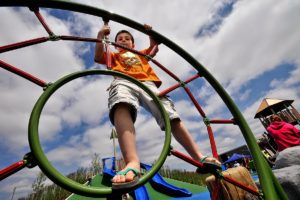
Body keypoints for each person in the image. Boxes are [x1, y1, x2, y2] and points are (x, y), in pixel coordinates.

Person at [94, 23, 221, 189]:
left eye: (127, 39)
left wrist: (150, 33)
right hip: (123, 80)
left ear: (133, 44)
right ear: (115, 43)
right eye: (120, 39)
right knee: (120, 103)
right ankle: (132, 162)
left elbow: (154, 46)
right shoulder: (114, 55)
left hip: (147, 83)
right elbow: (98, 56)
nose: (123, 41)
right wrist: (100, 36)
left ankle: (199, 156)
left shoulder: (140, 54)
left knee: (170, 115)